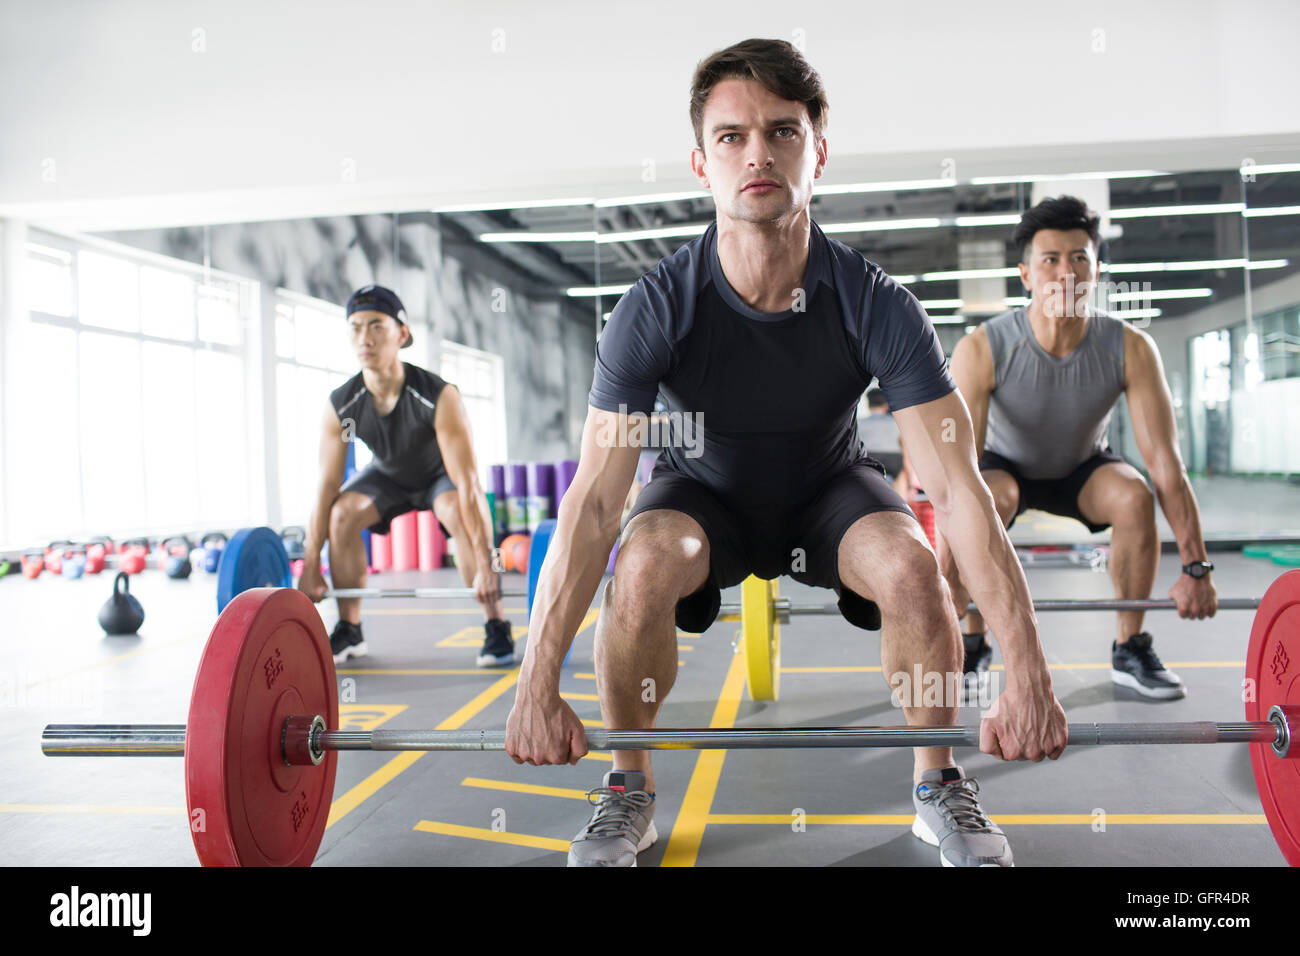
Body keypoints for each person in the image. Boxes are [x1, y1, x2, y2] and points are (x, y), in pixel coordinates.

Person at [504, 38, 1068, 868]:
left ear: (818, 152)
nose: (758, 153)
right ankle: (629, 788)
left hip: (828, 494)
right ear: (702, 162)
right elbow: (592, 503)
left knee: (915, 567)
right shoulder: (653, 310)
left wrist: (1027, 673)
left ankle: (937, 782)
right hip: (701, 496)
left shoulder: (878, 304)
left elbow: (958, 492)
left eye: (782, 131)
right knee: (643, 563)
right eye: (732, 136)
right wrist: (534, 681)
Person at [941, 197, 1218, 701]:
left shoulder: (1129, 346)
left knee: (1135, 495)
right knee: (988, 497)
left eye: (1079, 258)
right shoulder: (984, 347)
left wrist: (1196, 567)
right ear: (1025, 274)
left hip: (1082, 468)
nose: (1065, 272)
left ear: (1097, 269)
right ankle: (974, 643)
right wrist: (946, 574)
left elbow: (1165, 465)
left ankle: (1129, 647)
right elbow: (958, 469)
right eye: (1050, 260)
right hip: (1005, 468)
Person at [297, 284, 514, 668]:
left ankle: (495, 622)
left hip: (437, 477)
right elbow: (326, 487)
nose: (365, 337)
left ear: (403, 333)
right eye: (356, 327)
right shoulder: (343, 405)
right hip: (387, 476)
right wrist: (311, 563)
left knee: (457, 509)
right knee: (341, 512)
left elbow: (468, 484)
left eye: (377, 326)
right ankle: (350, 629)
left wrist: (487, 563)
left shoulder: (437, 395)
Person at [857, 387, 903, 481]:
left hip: (869, 457)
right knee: (901, 476)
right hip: (894, 458)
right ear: (886, 406)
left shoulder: (859, 423)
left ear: (869, 405)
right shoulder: (897, 422)